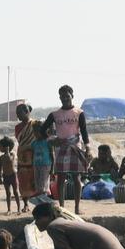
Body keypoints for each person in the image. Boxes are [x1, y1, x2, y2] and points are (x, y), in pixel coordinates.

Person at [42, 85, 90, 215]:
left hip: (75, 147)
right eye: (62, 96)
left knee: (76, 178)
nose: (65, 98)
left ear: (72, 96)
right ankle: (62, 207)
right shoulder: (55, 114)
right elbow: (42, 129)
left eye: (67, 96)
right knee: (61, 178)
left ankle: (77, 207)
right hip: (61, 148)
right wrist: (51, 139)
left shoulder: (79, 113)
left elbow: (84, 131)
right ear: (59, 97)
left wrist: (88, 148)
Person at [14, 103, 43, 207]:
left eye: (19, 113)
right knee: (23, 179)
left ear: (27, 112)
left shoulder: (35, 124)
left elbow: (40, 138)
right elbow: (19, 140)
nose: (18, 115)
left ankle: (38, 203)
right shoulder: (17, 127)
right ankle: (25, 203)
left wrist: (29, 147)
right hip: (22, 155)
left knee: (35, 178)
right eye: (17, 113)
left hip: (35, 154)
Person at [0, 136, 17, 213]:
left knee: (15, 192)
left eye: (0, 146)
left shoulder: (12, 154)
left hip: (13, 175)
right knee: (8, 193)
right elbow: (0, 168)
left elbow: (9, 159)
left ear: (6, 147)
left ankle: (18, 209)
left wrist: (7, 152)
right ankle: (9, 209)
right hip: (5, 176)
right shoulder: (1, 157)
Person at [32, 127, 54, 198]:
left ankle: (44, 199)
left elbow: (52, 155)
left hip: (45, 165)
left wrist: (52, 168)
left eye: (37, 132)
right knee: (38, 184)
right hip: (36, 165)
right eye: (34, 132)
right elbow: (33, 154)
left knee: (43, 184)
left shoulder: (47, 142)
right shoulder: (34, 143)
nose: (35, 134)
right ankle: (41, 200)